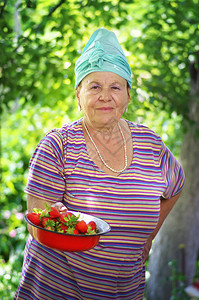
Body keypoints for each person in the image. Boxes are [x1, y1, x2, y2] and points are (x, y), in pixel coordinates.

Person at [15, 28, 185, 300]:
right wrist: (53, 219)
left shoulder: (150, 144)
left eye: (115, 87)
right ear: (78, 96)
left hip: (124, 291)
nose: (105, 96)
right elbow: (37, 225)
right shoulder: (57, 146)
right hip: (56, 291)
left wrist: (149, 236)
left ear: (128, 96)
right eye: (94, 87)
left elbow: (176, 185)